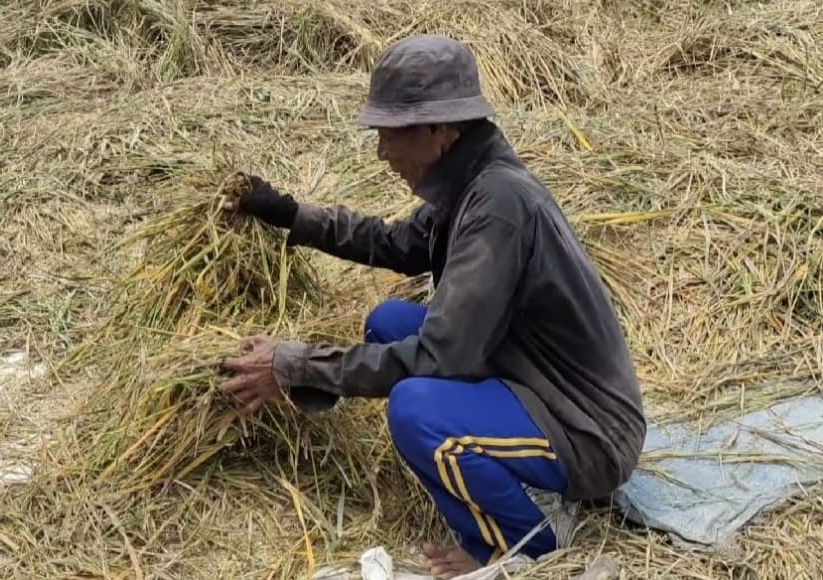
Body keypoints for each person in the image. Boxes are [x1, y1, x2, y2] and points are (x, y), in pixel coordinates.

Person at [220, 35, 645, 578]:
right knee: (389, 323)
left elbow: (441, 357)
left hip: (586, 430)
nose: (381, 152)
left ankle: (525, 537)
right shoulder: (471, 180)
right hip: (535, 379)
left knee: (417, 410)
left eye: (390, 134)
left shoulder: (498, 208)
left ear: (438, 129)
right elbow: (396, 243)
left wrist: (295, 365)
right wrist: (289, 213)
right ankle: (522, 484)